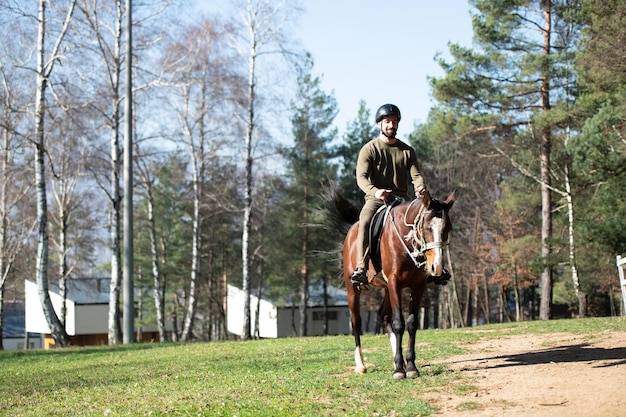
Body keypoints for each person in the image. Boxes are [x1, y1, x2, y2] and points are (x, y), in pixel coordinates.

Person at [350, 103, 427, 286]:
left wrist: (420, 186)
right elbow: (361, 177)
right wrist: (375, 192)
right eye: (387, 122)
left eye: (395, 121)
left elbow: (416, 175)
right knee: (365, 221)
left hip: (402, 200)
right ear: (379, 124)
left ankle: (431, 267)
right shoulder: (369, 149)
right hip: (376, 200)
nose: (391, 125)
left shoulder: (408, 151)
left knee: (428, 220)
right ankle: (361, 267)